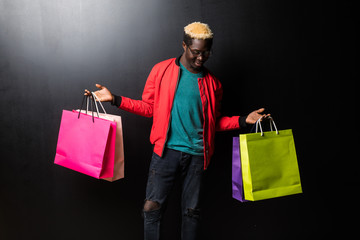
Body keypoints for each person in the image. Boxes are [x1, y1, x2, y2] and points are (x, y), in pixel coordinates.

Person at [85, 22, 269, 240]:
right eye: (196, 52)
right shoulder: (161, 71)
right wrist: (115, 99)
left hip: (198, 157)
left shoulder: (214, 85)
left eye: (206, 52)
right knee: (151, 208)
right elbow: (149, 108)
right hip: (166, 152)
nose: (201, 58)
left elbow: (214, 122)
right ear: (184, 45)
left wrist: (242, 120)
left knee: (192, 212)